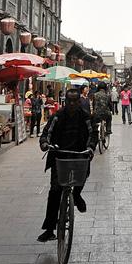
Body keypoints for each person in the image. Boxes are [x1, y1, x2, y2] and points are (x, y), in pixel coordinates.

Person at [37, 89, 97, 242]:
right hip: (59, 156)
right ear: (65, 101)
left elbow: (93, 134)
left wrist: (90, 147)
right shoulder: (58, 116)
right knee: (55, 191)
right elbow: (47, 132)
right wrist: (44, 143)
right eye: (69, 101)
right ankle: (50, 229)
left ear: (79, 102)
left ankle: (76, 195)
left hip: (79, 156)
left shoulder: (85, 117)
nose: (71, 104)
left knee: (81, 178)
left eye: (74, 101)